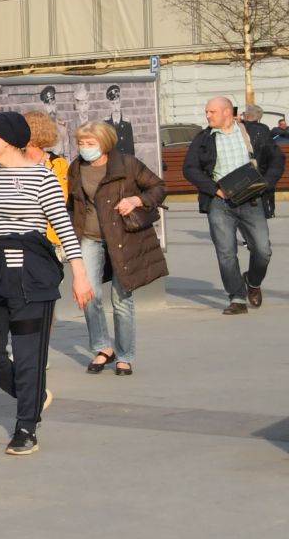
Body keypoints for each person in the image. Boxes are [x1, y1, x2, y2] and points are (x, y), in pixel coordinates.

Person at [0, 112, 94, 457]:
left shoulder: (41, 178)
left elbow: (63, 226)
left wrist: (80, 274)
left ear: (5, 139)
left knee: (28, 353)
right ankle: (32, 395)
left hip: (30, 277)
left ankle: (25, 427)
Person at [68, 121, 166, 377]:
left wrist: (137, 199)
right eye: (81, 143)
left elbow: (158, 187)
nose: (85, 148)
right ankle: (103, 347)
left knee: (121, 299)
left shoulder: (127, 165)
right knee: (89, 295)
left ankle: (124, 355)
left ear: (106, 143)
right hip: (89, 237)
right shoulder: (76, 167)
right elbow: (74, 205)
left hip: (124, 238)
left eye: (91, 143)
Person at [182, 96, 282, 314]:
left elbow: (277, 160)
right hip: (220, 203)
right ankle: (237, 297)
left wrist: (266, 183)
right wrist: (213, 189)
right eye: (207, 112)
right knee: (226, 252)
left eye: (212, 112)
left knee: (263, 250)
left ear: (227, 112)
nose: (207, 115)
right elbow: (190, 169)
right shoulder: (203, 139)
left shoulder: (255, 132)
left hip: (252, 200)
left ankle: (253, 282)